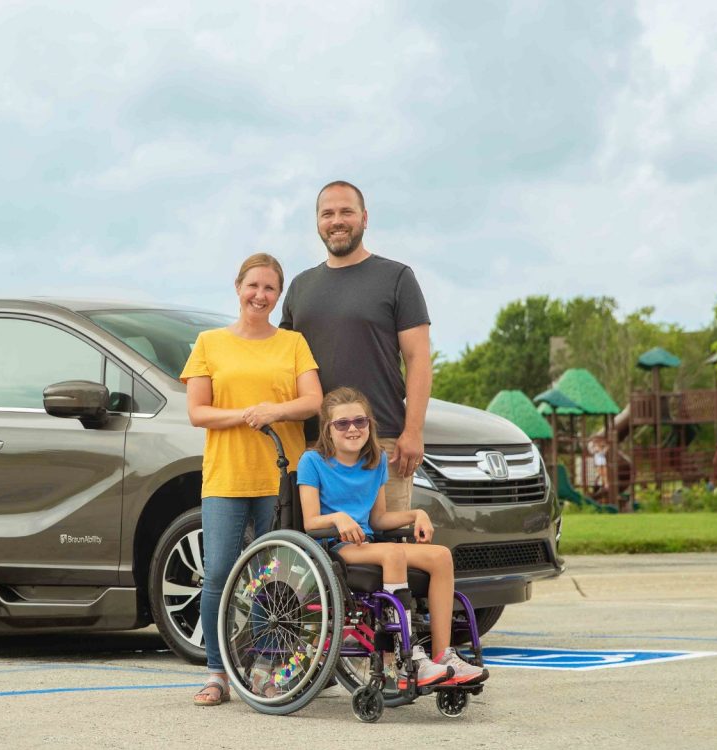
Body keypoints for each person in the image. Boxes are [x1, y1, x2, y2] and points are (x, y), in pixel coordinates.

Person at [180, 253, 323, 707]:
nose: (260, 296)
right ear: (238, 287)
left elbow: (314, 401)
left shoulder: (293, 343)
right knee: (220, 574)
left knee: (276, 577)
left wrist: (274, 411)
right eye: (253, 286)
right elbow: (197, 412)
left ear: (278, 296)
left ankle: (266, 668)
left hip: (283, 478)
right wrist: (246, 415)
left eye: (269, 289)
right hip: (226, 476)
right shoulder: (209, 343)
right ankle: (217, 673)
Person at [298, 387, 487, 687]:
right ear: (327, 429)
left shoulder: (376, 462)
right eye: (342, 423)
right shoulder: (313, 462)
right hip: (333, 547)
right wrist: (337, 517)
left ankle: (442, 656)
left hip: (368, 544)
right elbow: (310, 522)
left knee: (441, 556)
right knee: (393, 553)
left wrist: (415, 515)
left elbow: (379, 519)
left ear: (370, 424)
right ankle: (405, 657)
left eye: (360, 422)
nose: (352, 429)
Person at [280, 180, 432, 513]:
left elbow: (419, 358)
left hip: (381, 441)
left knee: (387, 548)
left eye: (346, 212)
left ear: (364, 218)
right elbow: (279, 361)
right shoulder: (299, 286)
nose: (336, 221)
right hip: (313, 446)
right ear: (318, 222)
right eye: (327, 213)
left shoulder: (396, 278)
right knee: (318, 554)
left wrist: (413, 431)